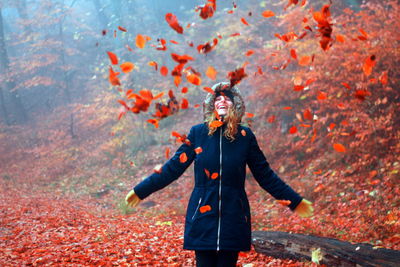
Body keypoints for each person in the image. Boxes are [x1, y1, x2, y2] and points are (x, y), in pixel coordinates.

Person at [125, 82, 314, 267]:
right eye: (218, 99)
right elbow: (173, 168)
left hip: (234, 215)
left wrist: (293, 201)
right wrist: (141, 190)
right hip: (202, 212)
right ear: (212, 105)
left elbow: (265, 175)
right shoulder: (198, 133)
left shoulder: (245, 136)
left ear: (235, 104)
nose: (222, 101)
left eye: (227, 98)